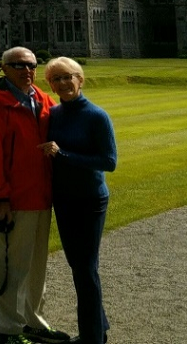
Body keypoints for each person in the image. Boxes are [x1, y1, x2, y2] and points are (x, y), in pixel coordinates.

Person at [0, 47, 71, 344]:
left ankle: (33, 321)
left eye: (31, 65)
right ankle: (9, 330)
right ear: (3, 68)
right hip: (15, 199)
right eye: (18, 65)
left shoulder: (40, 99)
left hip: (42, 195)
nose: (27, 70)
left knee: (36, 266)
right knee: (14, 267)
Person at [40, 57, 117, 344]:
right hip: (64, 200)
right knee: (80, 268)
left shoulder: (97, 116)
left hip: (89, 200)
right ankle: (99, 327)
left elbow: (109, 162)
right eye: (56, 79)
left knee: (86, 270)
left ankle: (92, 338)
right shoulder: (56, 114)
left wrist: (63, 155)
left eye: (67, 77)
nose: (63, 83)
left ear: (80, 79)